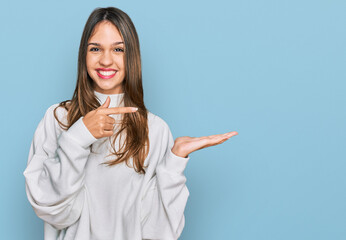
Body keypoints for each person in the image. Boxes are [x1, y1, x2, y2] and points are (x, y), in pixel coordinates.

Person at [23, 6, 238, 240]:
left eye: (118, 49)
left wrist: (175, 161)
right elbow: (54, 212)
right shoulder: (58, 119)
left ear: (132, 56)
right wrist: (78, 137)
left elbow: (159, 232)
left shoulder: (154, 130)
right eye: (95, 48)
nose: (106, 60)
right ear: (83, 54)